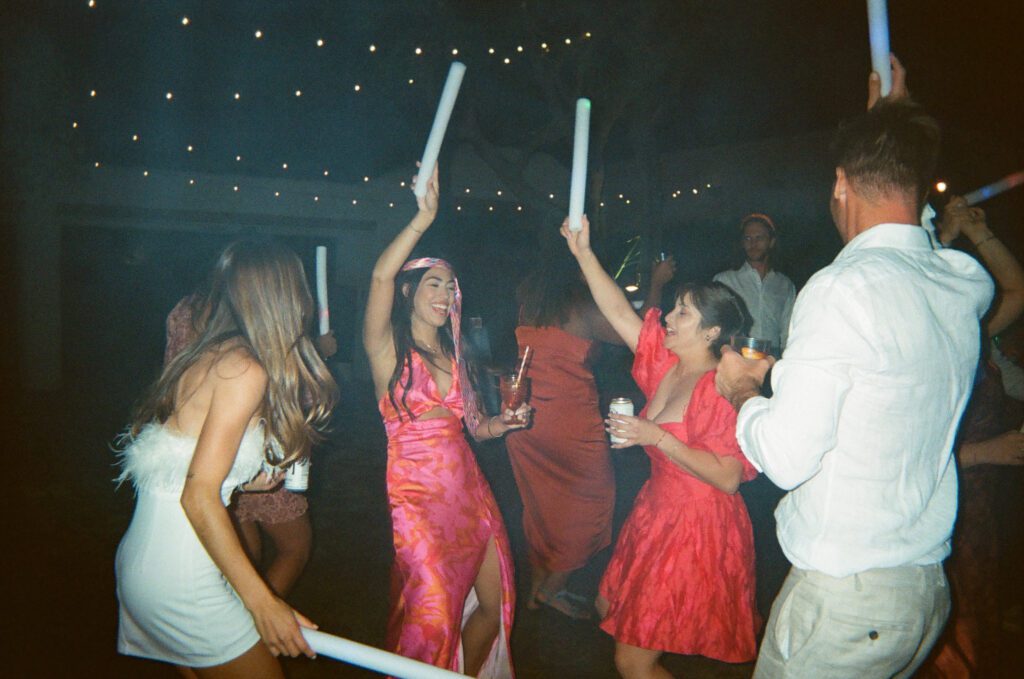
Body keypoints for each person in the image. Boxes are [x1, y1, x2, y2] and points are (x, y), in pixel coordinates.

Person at [715, 56, 995, 678]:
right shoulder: (959, 281)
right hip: (920, 591)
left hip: (848, 600)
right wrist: (891, 134)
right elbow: (909, 219)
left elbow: (786, 457)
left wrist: (740, 392)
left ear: (840, 184)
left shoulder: (841, 287)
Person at [115, 240, 338, 677]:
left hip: (151, 559)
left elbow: (191, 465)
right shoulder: (244, 368)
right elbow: (197, 496)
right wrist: (264, 604)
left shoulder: (213, 354)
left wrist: (251, 480)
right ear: (285, 296)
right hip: (183, 572)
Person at [562, 216, 760, 678]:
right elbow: (617, 311)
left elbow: (729, 478)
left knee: (633, 659)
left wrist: (658, 437)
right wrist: (583, 253)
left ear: (712, 332)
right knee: (608, 604)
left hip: (697, 524)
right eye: (672, 309)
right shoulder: (664, 366)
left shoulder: (722, 387)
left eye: (682, 313)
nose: (667, 317)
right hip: (656, 513)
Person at [362, 166, 528, 677]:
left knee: (496, 605)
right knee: (430, 620)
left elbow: (471, 427)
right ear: (411, 291)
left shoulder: (456, 354)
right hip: (419, 503)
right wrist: (422, 217)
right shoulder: (386, 349)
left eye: (451, 287)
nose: (445, 294)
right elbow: (379, 276)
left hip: (471, 494)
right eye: (434, 283)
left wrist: (502, 425)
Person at [505, 248, 669, 620]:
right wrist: (657, 284)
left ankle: (538, 587)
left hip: (525, 423)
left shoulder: (531, 302)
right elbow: (643, 335)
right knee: (592, 507)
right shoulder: (581, 308)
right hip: (569, 426)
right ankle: (550, 591)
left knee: (545, 510)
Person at [164, 289, 338, 597]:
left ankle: (231, 619)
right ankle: (254, 624)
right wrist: (316, 352)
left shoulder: (187, 307)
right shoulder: (259, 313)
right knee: (295, 547)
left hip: (194, 448)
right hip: (253, 452)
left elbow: (172, 376)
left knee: (245, 552)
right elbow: (296, 393)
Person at [713, 213, 795, 354]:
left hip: (771, 363)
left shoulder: (785, 285)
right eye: (748, 238)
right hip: (736, 362)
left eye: (759, 238)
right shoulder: (724, 281)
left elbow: (788, 332)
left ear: (771, 242)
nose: (753, 244)